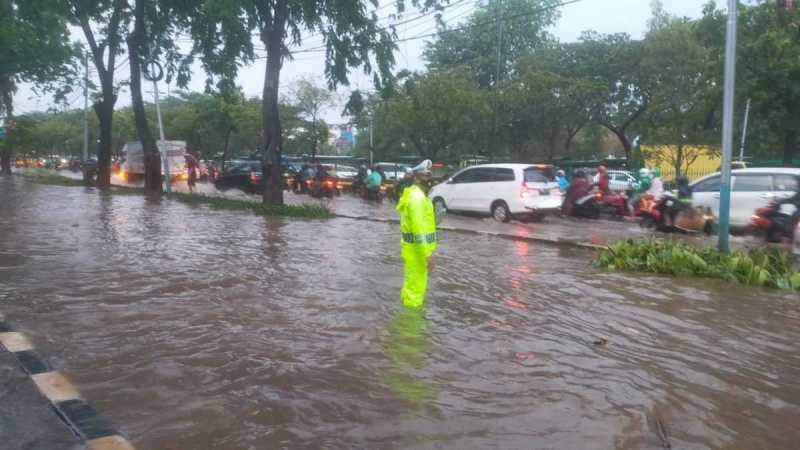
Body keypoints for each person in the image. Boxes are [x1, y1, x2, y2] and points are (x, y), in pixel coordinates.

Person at [397, 160, 437, 309]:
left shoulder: (416, 195)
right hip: (418, 252)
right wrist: (427, 254)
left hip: (413, 250)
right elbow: (418, 228)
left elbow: (422, 224)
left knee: (411, 287)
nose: (428, 180)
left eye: (428, 177)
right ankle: (411, 328)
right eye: (424, 177)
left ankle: (404, 321)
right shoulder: (417, 198)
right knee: (416, 292)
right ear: (416, 178)